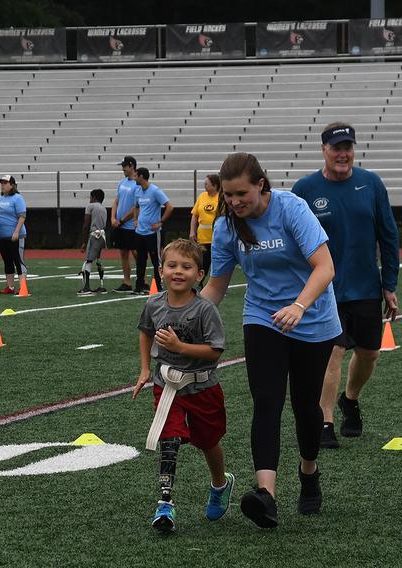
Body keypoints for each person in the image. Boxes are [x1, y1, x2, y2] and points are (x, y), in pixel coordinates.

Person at [202, 153, 341, 528]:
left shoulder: (291, 208)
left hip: (312, 320)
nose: (234, 202)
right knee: (267, 401)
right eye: (228, 196)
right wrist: (186, 317)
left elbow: (324, 267)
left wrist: (299, 305)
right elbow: (217, 285)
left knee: (306, 407)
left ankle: (308, 471)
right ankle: (266, 495)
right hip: (263, 318)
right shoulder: (227, 227)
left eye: (241, 194)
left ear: (261, 184)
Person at [291, 122, 399, 449]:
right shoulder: (305, 189)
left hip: (366, 286)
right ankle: (325, 422)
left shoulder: (371, 184)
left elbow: (389, 235)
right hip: (325, 290)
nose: (343, 154)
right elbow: (292, 238)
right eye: (336, 148)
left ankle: (349, 399)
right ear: (324, 150)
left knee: (369, 354)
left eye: (348, 148)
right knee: (333, 352)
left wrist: (389, 284)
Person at [131, 239, 234, 534]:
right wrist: (145, 369)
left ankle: (219, 483)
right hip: (168, 386)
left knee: (208, 441)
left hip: (202, 387)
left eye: (187, 267)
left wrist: (180, 346)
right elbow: (145, 332)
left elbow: (215, 352)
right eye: (172, 266)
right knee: (169, 439)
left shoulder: (205, 309)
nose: (178, 272)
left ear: (199, 275)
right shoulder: (153, 303)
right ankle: (165, 503)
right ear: (161, 270)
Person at [132, 167, 173, 295]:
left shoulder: (155, 191)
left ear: (142, 177)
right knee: (140, 260)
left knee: (156, 260)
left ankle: (159, 285)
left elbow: (169, 206)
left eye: (136, 176)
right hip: (140, 232)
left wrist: (160, 222)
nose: (134, 178)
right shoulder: (138, 191)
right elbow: (136, 206)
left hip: (152, 233)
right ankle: (139, 286)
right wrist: (135, 219)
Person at [0, 175, 27, 295]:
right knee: (7, 260)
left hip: (15, 235)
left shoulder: (17, 198)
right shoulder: (0, 198)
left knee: (18, 261)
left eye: (5, 183)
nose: (2, 185)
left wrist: (16, 231)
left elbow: (22, 216)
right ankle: (10, 286)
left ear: (12, 185)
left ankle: (23, 287)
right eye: (1, 183)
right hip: (2, 235)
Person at [111, 156, 139, 293]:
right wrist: (113, 218)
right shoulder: (122, 182)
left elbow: (136, 207)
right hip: (120, 225)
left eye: (124, 166)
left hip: (129, 225)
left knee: (137, 253)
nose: (123, 169)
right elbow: (116, 200)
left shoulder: (137, 184)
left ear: (131, 166)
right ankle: (127, 282)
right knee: (123, 254)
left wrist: (122, 220)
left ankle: (142, 280)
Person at [190, 173, 220, 286]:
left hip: (217, 238)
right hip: (202, 238)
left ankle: (217, 285)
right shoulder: (202, 196)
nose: (205, 186)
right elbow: (194, 215)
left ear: (215, 185)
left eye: (207, 184)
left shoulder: (221, 198)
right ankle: (199, 283)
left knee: (217, 263)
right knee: (203, 262)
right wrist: (192, 231)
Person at [78, 189, 107, 296]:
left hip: (94, 234)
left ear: (94, 197)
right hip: (102, 235)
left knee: (88, 260)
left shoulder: (90, 206)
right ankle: (101, 284)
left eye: (90, 197)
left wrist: (83, 242)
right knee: (98, 259)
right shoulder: (103, 208)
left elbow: (86, 224)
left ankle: (86, 287)